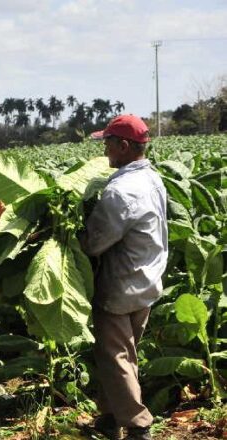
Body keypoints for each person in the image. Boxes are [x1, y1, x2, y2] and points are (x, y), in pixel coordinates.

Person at [80, 114, 168, 440]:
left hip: (120, 285)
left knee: (116, 357)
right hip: (147, 279)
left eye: (108, 144)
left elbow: (94, 241)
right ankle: (109, 417)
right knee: (121, 354)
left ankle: (138, 425)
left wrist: (66, 236)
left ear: (124, 145)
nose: (105, 152)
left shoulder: (120, 191)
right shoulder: (153, 179)